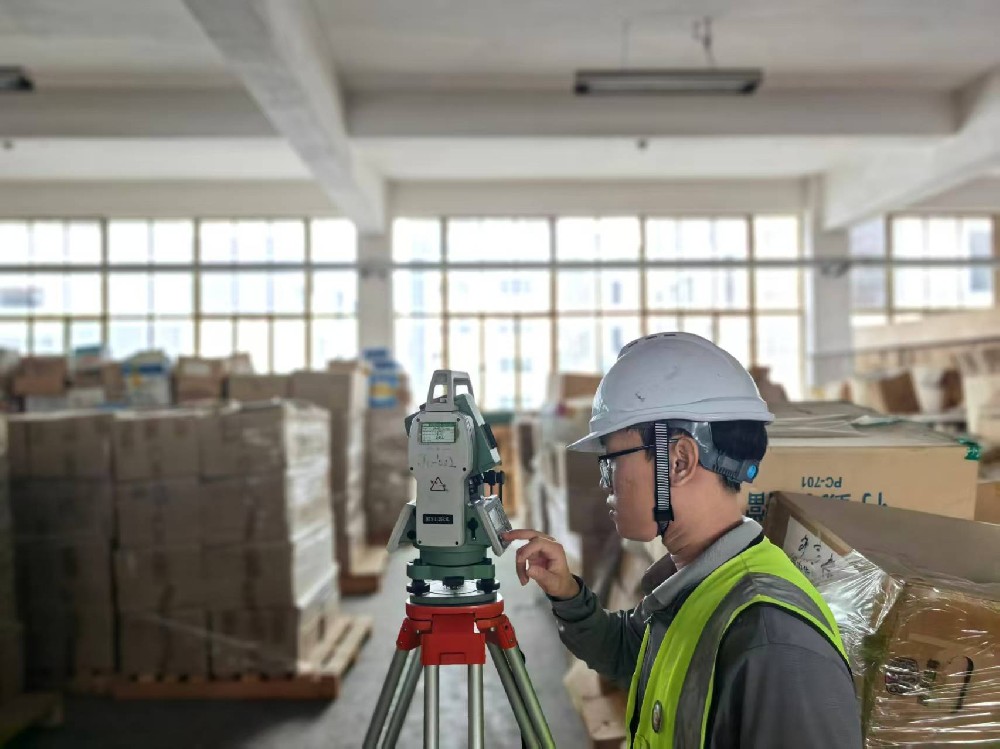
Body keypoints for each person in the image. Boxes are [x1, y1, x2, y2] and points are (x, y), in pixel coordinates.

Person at [503, 333, 862, 748]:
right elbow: (630, 654)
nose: (606, 483)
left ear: (679, 461)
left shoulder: (774, 645)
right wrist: (568, 594)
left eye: (611, 462)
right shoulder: (700, 585)